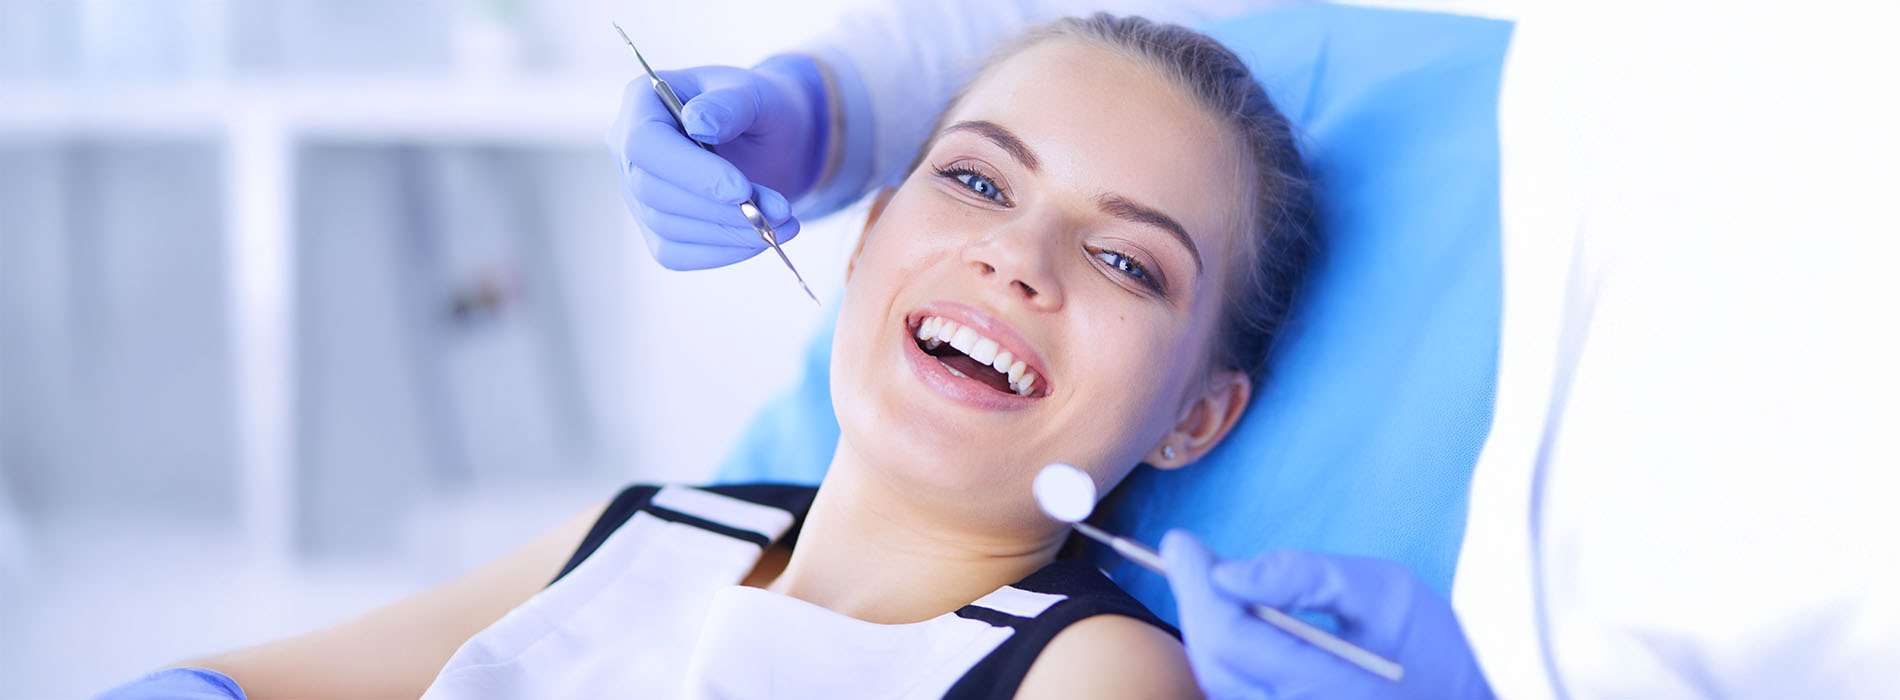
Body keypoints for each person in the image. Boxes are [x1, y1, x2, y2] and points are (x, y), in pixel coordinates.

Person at [102, 13, 1328, 699]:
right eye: (972, 178)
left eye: (1128, 261)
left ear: (1197, 419)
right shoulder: (649, 526)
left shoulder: (1093, 672)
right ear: (864, 239)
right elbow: (248, 686)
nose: (1019, 257)